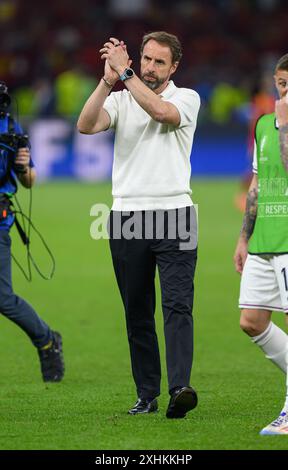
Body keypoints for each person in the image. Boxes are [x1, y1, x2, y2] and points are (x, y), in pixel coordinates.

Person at [78, 32, 200, 418]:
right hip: (126, 216)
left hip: (176, 214)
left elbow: (162, 113)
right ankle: (147, 395)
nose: (149, 67)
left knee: (177, 306)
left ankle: (179, 388)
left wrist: (125, 70)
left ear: (174, 67)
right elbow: (86, 124)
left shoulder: (187, 98)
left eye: (158, 62)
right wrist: (107, 80)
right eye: (146, 59)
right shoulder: (120, 97)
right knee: (137, 311)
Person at [234, 54, 288, 435]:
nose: (282, 91)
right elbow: (256, 184)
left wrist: (286, 126)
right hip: (263, 239)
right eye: (280, 84)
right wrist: (243, 236)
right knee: (251, 321)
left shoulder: (280, 124)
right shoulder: (264, 124)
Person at [0, 81, 64, 383]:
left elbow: (29, 181)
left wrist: (24, 166)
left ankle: (47, 340)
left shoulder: (10, 128)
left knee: (2, 298)